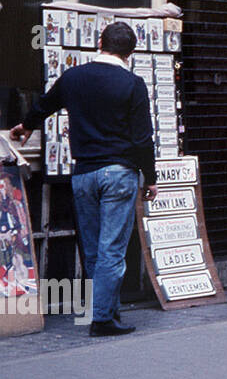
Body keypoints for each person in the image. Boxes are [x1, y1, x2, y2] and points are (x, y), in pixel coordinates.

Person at [9, 22, 157, 336]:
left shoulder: (75, 77)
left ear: (99, 43)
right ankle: (103, 319)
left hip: (83, 173)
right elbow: (144, 139)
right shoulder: (133, 84)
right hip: (119, 173)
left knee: (92, 249)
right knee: (112, 249)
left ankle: (105, 311)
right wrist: (151, 177)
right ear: (130, 53)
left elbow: (44, 105)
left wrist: (25, 126)